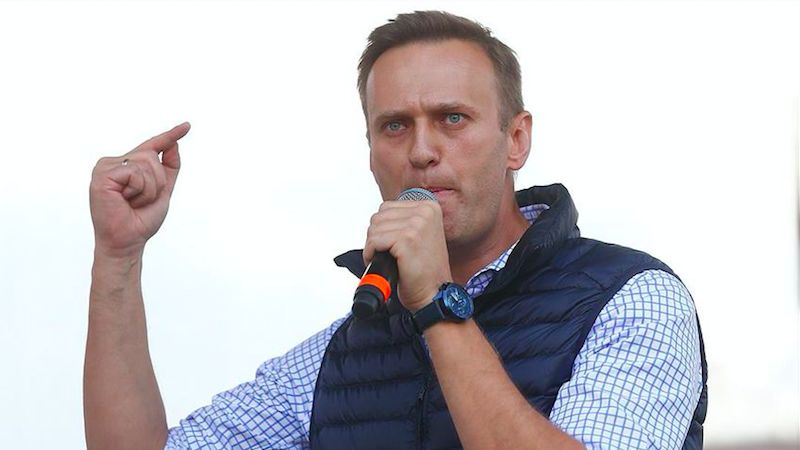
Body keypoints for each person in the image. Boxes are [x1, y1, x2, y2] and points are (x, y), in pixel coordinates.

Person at [84, 11, 708, 450]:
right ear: (370, 151)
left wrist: (438, 301)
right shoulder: (343, 352)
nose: (422, 151)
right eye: (395, 126)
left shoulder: (630, 298)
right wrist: (119, 255)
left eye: (452, 118)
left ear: (516, 139)